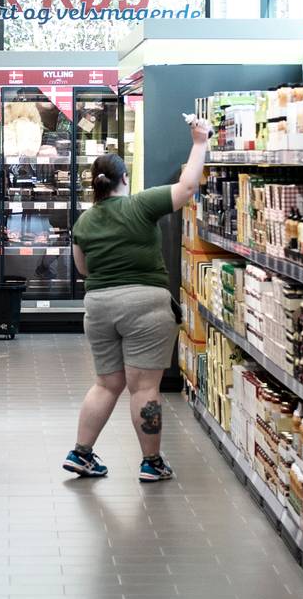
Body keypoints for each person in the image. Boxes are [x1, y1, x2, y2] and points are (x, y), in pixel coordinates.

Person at [64, 115, 209, 483]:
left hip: (98, 307)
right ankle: (152, 462)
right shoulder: (141, 205)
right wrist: (199, 142)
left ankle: (81, 454)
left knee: (106, 383)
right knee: (145, 387)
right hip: (145, 305)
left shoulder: (84, 222)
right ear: (124, 179)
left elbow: (83, 269)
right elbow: (188, 185)